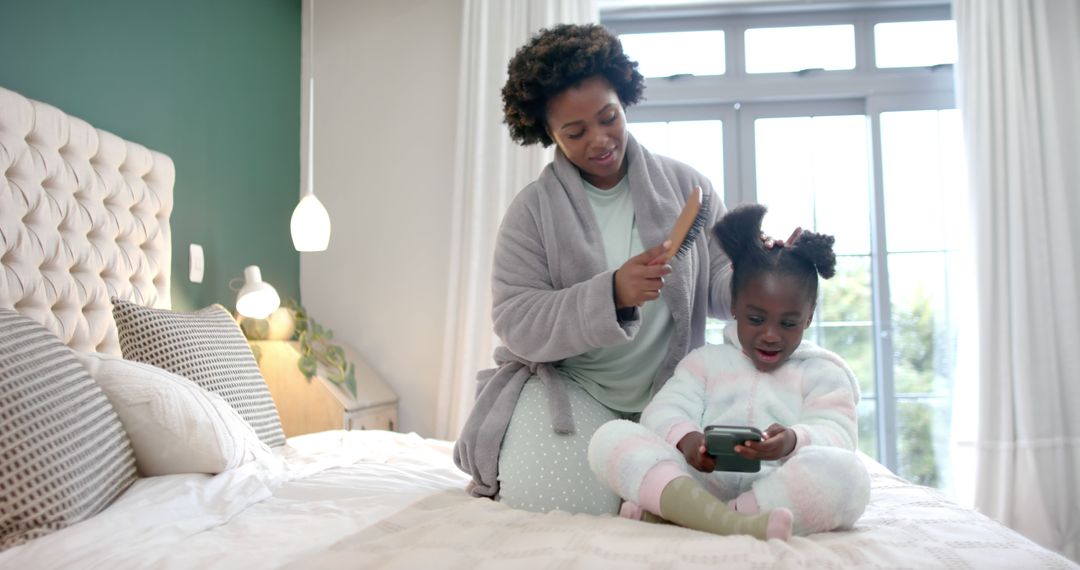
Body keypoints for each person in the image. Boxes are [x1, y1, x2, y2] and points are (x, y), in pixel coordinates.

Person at [452, 23, 739, 516]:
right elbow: (516, 321)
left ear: (624, 101)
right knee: (559, 502)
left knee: (731, 483)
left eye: (609, 118)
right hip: (577, 392)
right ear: (547, 133)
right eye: (575, 132)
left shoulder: (688, 186)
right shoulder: (531, 213)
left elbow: (721, 289)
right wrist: (611, 294)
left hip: (674, 396)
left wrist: (764, 266)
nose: (600, 140)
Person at [587, 204, 871, 539]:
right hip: (700, 481)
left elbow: (838, 435)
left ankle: (702, 516)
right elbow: (663, 411)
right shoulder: (705, 362)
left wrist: (792, 442)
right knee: (610, 438)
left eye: (788, 323)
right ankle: (721, 518)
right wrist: (689, 441)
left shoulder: (823, 374)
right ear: (734, 306)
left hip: (773, 492)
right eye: (755, 319)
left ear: (808, 317)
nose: (770, 334)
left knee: (852, 477)